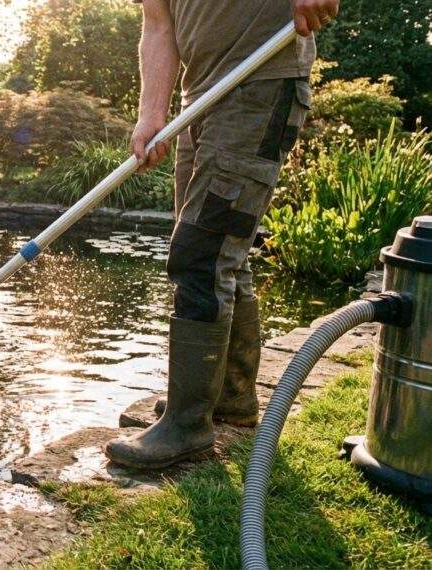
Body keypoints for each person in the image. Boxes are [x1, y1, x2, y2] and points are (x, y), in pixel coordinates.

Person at [105, 0, 339, 469]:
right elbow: (158, 25)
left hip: (259, 84)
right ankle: (229, 399)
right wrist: (151, 113)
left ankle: (187, 426)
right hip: (200, 102)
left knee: (200, 253)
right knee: (222, 252)